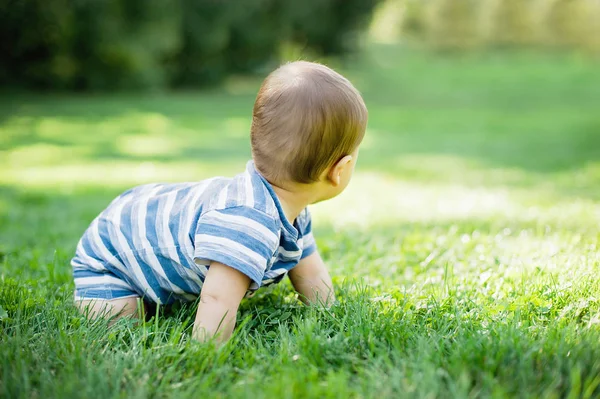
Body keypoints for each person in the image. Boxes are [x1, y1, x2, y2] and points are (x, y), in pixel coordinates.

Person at [71, 61, 368, 343]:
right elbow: (218, 298)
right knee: (123, 324)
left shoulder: (292, 212)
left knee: (157, 310)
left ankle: (157, 292)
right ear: (338, 171)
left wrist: (330, 315)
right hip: (111, 257)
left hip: (134, 225)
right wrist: (206, 355)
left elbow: (311, 273)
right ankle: (125, 296)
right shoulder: (248, 222)